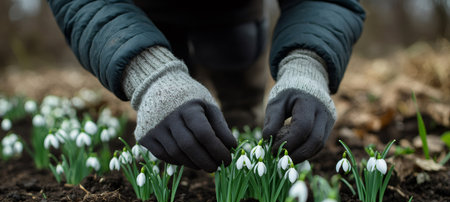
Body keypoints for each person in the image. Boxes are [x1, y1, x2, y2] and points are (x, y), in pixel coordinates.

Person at [47, 0, 365, 173]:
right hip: (137, 14)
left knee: (242, 121)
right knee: (172, 132)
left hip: (232, 17)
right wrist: (148, 74)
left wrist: (308, 63)